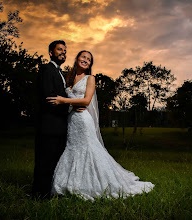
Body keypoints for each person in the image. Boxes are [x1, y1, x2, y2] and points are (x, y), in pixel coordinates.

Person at [47, 50, 154, 200]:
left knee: (89, 150)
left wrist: (63, 101)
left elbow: (86, 101)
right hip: (72, 121)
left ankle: (97, 183)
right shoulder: (69, 76)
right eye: (83, 57)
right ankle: (70, 184)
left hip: (83, 120)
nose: (85, 60)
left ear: (90, 64)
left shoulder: (90, 78)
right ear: (77, 58)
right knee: (73, 149)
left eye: (89, 59)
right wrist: (68, 105)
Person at [32, 40, 84, 199]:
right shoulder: (47, 69)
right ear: (50, 52)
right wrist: (70, 108)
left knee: (55, 160)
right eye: (59, 49)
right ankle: (40, 196)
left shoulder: (60, 73)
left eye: (65, 50)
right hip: (49, 124)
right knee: (45, 160)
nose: (63, 52)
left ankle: (50, 191)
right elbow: (49, 98)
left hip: (59, 125)